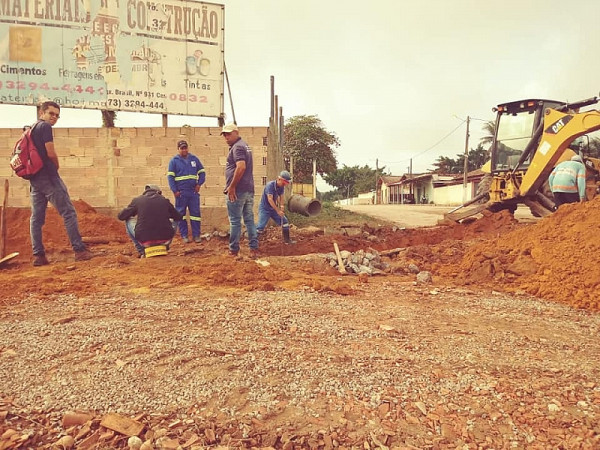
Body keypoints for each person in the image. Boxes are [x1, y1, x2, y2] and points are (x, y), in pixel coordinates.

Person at [28, 101, 93, 266]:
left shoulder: (31, 128)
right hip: (49, 177)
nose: (54, 118)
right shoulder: (45, 127)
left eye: (57, 115)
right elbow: (50, 152)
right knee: (68, 213)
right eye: (51, 113)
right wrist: (55, 167)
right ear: (42, 113)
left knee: (36, 218)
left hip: (35, 179)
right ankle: (79, 251)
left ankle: (38, 256)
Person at [221, 123, 259, 257]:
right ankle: (253, 249)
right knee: (249, 220)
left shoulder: (237, 147)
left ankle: (233, 250)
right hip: (248, 189)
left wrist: (232, 187)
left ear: (236, 132)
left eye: (229, 134)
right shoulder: (244, 145)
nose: (226, 137)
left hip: (238, 191)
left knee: (235, 221)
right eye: (224, 135)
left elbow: (241, 167)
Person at [117, 184, 183, 257]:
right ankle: (165, 246)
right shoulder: (164, 200)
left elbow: (121, 216)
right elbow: (179, 217)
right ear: (158, 192)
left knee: (128, 219)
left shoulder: (138, 200)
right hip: (165, 239)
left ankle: (142, 251)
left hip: (145, 240)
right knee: (175, 220)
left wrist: (135, 211)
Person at [167, 139, 206, 243]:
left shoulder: (194, 159)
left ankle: (196, 235)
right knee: (181, 215)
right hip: (181, 193)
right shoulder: (174, 161)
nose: (184, 150)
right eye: (182, 148)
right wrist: (175, 191)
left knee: (195, 214)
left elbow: (202, 172)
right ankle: (184, 235)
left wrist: (199, 184)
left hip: (193, 192)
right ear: (178, 149)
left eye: (185, 148)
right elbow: (170, 178)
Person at [257, 170, 296, 244]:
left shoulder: (281, 187)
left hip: (273, 209)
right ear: (279, 179)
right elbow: (270, 199)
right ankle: (253, 244)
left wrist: (281, 205)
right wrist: (278, 210)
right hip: (265, 209)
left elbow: (281, 197)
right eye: (285, 182)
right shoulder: (270, 185)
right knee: (260, 227)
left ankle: (287, 241)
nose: (285, 184)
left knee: (285, 222)